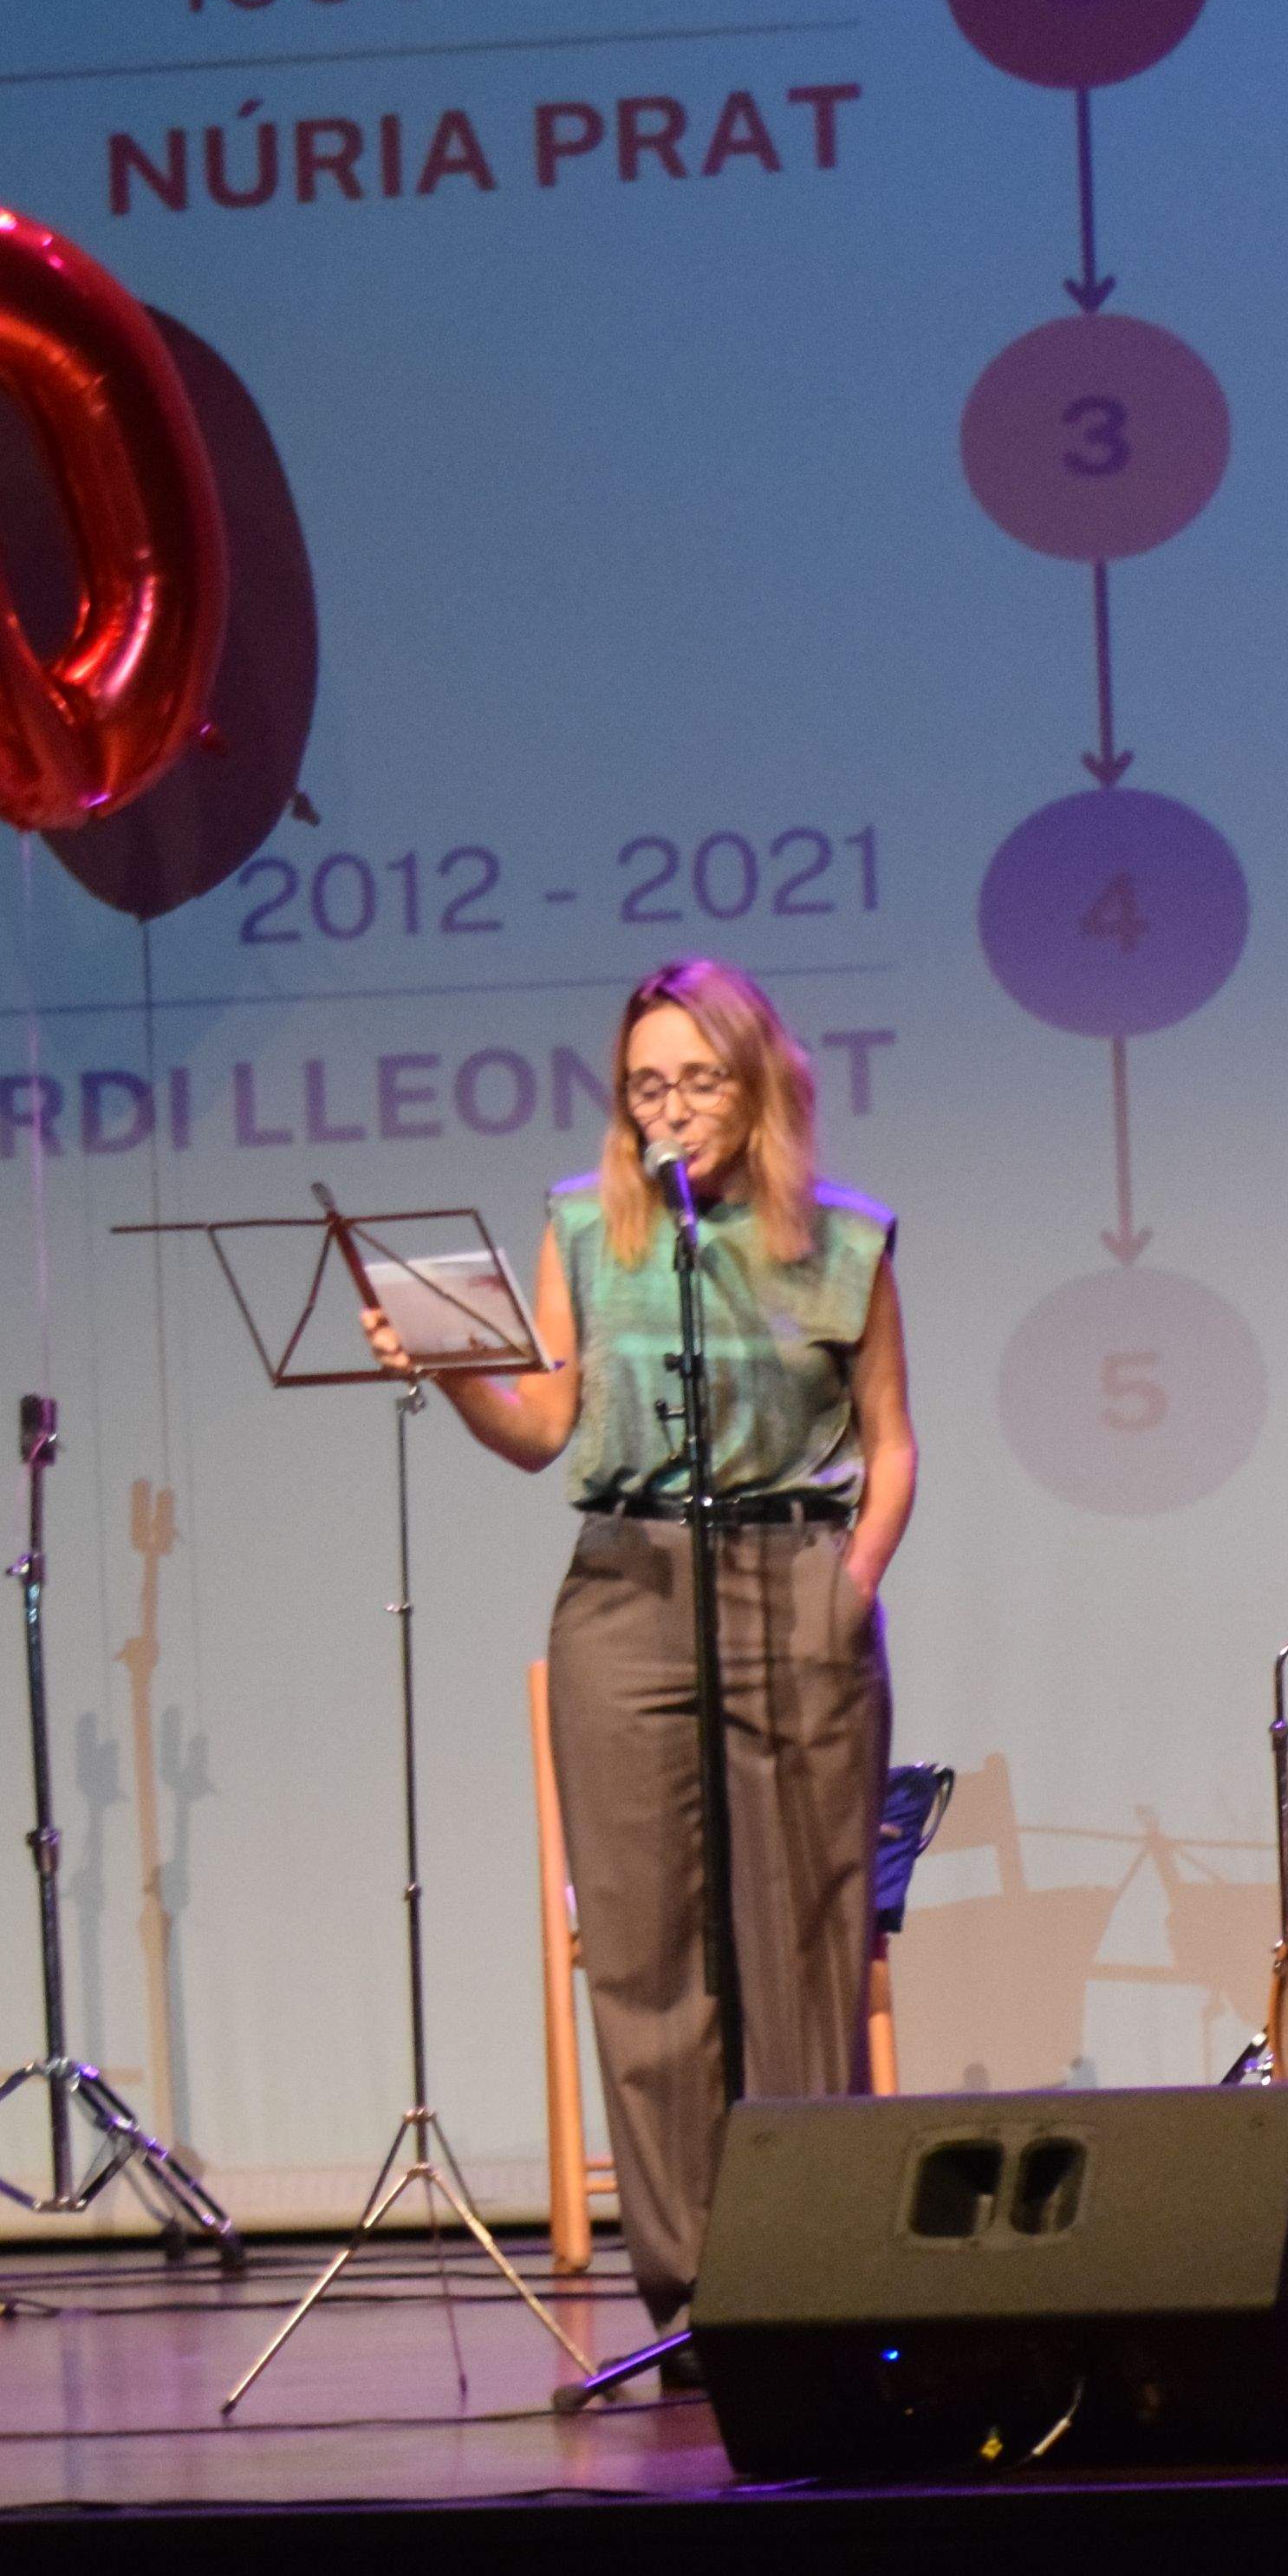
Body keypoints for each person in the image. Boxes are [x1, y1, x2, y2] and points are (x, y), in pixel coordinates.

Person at [366, 955, 916, 2340]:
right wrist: (449, 1370)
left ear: (760, 1082)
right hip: (625, 1588)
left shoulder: (843, 1242)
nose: (668, 1109)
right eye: (644, 1087)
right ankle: (696, 2290)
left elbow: (895, 1448)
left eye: (695, 1079)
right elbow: (546, 1429)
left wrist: (847, 1585)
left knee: (803, 1944)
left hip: (793, 1580)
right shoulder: (581, 1225)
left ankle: (825, 2275)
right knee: (646, 1954)